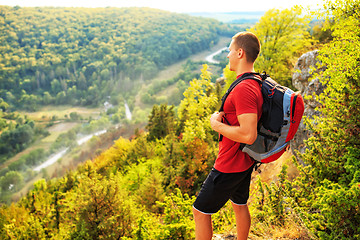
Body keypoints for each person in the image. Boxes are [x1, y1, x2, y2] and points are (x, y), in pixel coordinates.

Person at [192, 32, 263, 240]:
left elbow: (248, 134)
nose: (228, 55)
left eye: (230, 51)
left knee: (200, 212)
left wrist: (216, 125)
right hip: (244, 160)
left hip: (230, 163)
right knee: (240, 204)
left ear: (240, 53)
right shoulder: (256, 81)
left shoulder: (244, 88)